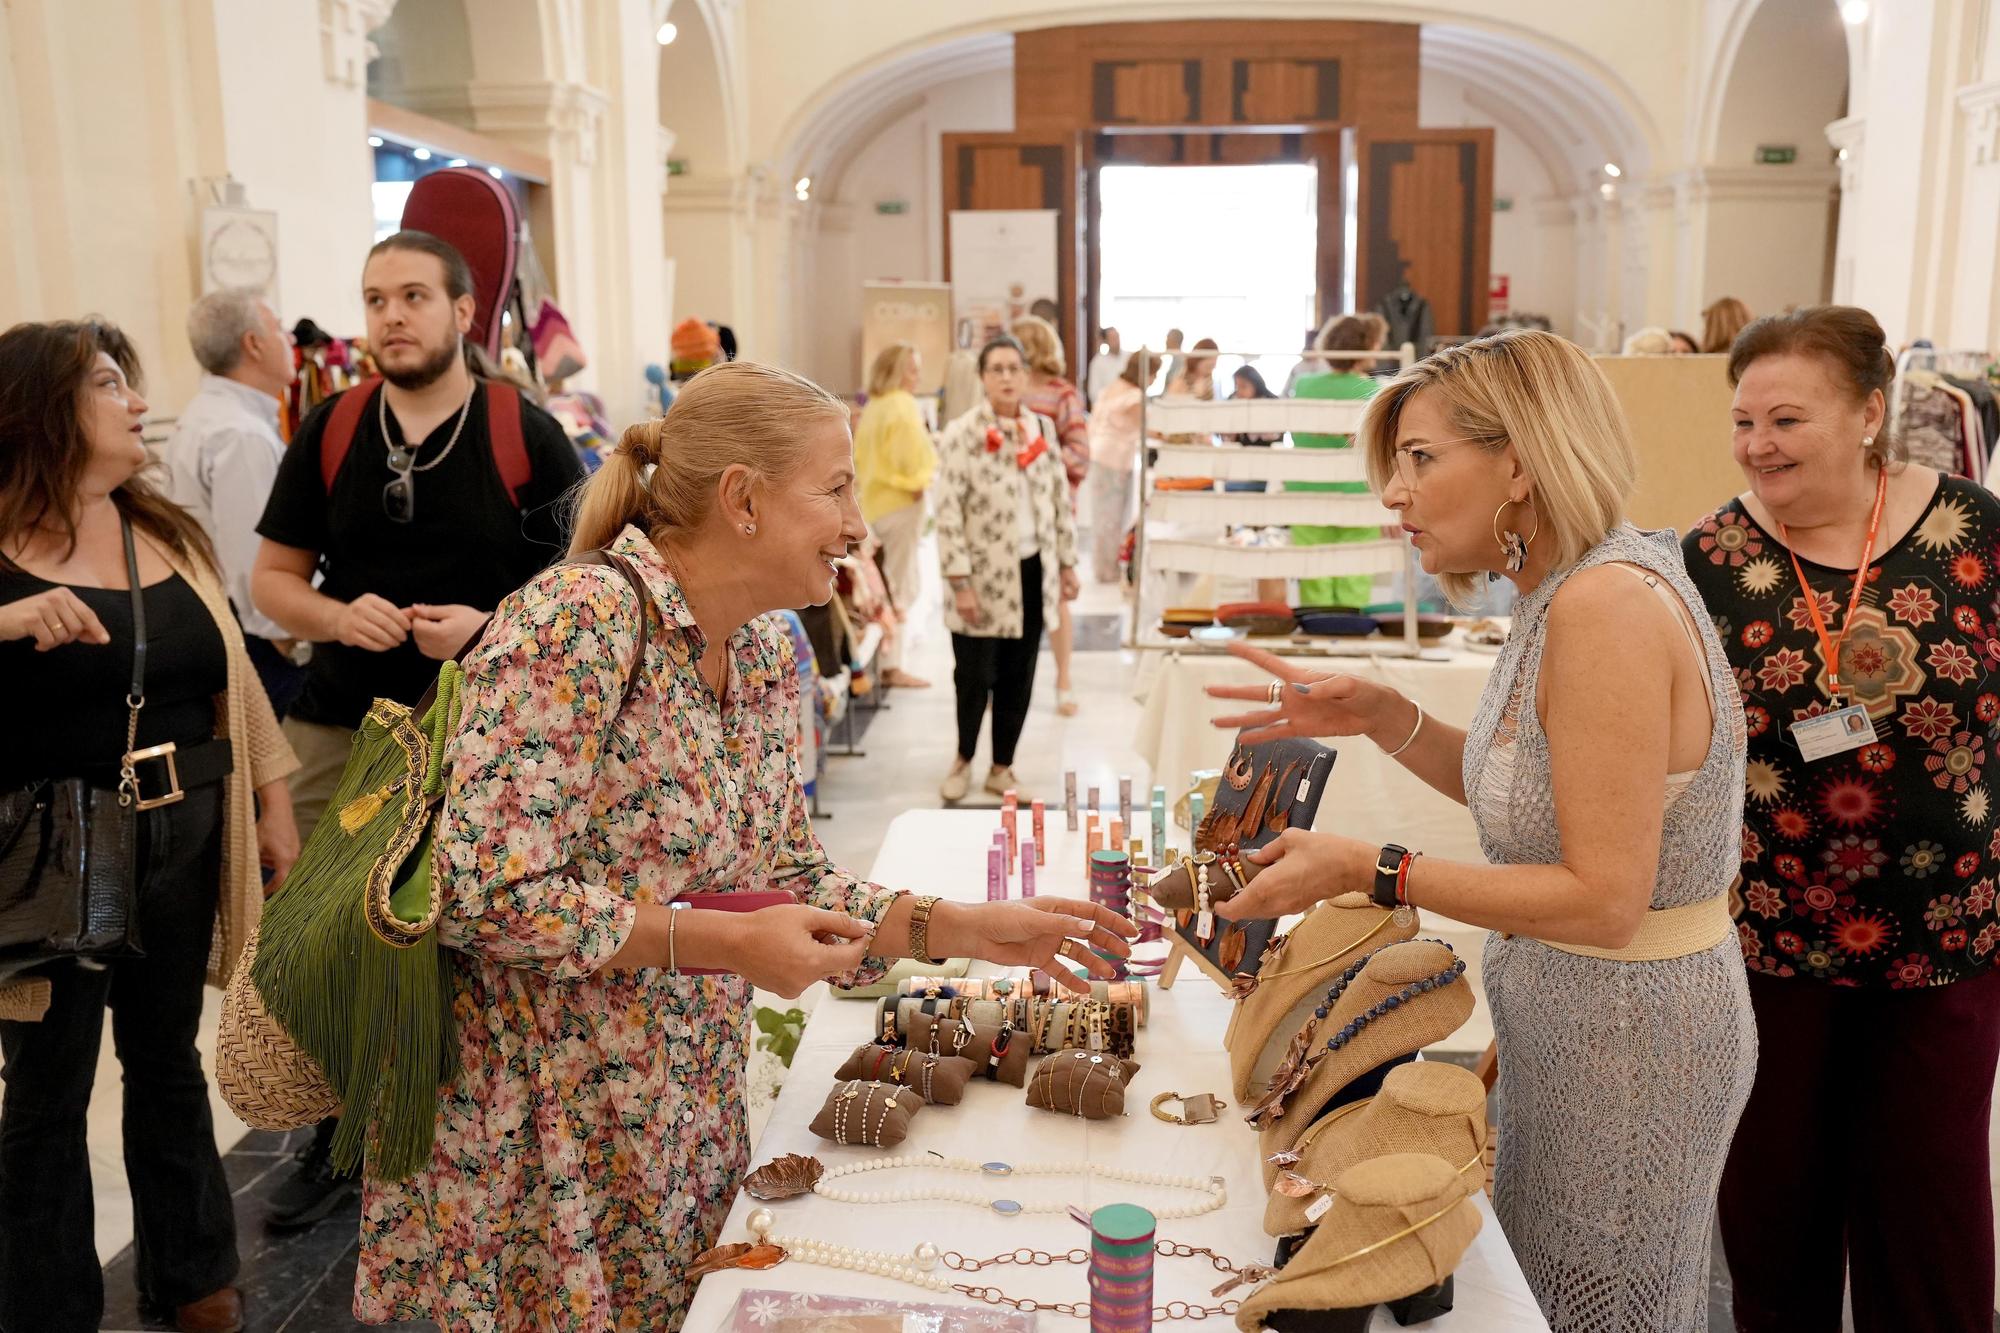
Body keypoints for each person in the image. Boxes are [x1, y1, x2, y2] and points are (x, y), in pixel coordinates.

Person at [350, 359, 1134, 1331]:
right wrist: (717, 943)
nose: (857, 523)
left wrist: (967, 927)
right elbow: (484, 894)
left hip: (679, 1099)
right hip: (546, 1125)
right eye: (835, 488)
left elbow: (783, 870)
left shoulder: (763, 648)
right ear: (743, 500)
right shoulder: (576, 624)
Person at [1200, 329, 1755, 1332]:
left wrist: (1377, 870)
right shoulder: (1558, 589)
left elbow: (1600, 894)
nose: (1394, 495)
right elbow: (1533, 793)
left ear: (1517, 460)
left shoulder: (1602, 608)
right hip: (1581, 1023)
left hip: (1630, 1043)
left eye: (1419, 459)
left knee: (1600, 1308)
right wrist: (1378, 711)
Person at [250, 229, 585, 1228]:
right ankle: (335, 1126)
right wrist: (331, 614)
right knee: (320, 936)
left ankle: (474, 1123)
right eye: (375, 299)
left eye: (412, 297)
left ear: (459, 313)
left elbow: (590, 591)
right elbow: (271, 579)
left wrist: (489, 628)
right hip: (343, 719)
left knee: (462, 931)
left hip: (479, 728)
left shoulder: (522, 429)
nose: (391, 316)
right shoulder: (335, 425)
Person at [1682, 305, 2000, 1332]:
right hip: (1770, 940)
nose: (1757, 444)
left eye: (1784, 418)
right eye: (1742, 421)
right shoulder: (1710, 558)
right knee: (1774, 1211)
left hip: (1945, 938)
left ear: (1867, 412)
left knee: (1929, 1216)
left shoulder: (1972, 532)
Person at [0, 319, 301, 1333]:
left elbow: (231, 679)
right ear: (44, 409)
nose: (136, 401)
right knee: (48, 1091)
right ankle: (48, 1306)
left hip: (183, 836)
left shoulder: (160, 529)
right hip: (50, 857)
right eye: (105, 383)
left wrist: (271, 801)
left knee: (167, 1057)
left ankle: (194, 1271)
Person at [935, 335, 1081, 801]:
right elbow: (948, 510)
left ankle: (1002, 766)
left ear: (1024, 375)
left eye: (1013, 369)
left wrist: (1068, 563)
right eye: (996, 369)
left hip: (1032, 569)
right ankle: (962, 758)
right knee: (974, 676)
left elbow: (1058, 499)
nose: (1006, 377)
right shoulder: (962, 432)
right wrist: (959, 581)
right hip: (980, 576)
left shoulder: (1041, 428)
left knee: (1020, 674)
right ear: (982, 377)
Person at [166, 287, 305, 717]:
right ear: (254, 344)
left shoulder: (211, 417)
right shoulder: (239, 434)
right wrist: (290, 639)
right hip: (260, 643)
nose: (292, 341)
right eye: (281, 329)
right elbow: (254, 557)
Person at [1011, 315, 1088, 717]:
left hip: (1051, 511)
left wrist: (1040, 459)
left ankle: (1063, 680)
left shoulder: (1062, 395)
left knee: (1056, 596)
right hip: (1008, 517)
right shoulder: (1005, 393)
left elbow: (1080, 454)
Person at [1289, 314, 1389, 608]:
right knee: (1354, 574)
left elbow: (1298, 435)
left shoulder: (1304, 384)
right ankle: (1349, 628)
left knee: (1314, 572)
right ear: (1366, 348)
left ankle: (1318, 626)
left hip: (1307, 490)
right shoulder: (1373, 391)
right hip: (1357, 494)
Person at [853, 341, 936, 689]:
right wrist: (919, 481)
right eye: (912, 370)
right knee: (901, 584)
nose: (917, 377)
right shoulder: (903, 406)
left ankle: (887, 662)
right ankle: (893, 666)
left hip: (874, 503)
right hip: (900, 502)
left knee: (884, 582)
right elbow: (914, 456)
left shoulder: (874, 406)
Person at [1084, 351, 1147, 583]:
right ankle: (1106, 570)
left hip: (1101, 455)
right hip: (1114, 458)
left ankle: (1104, 567)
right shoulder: (1133, 396)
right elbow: (1146, 426)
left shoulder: (1115, 387)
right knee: (1111, 518)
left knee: (1104, 516)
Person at [1086, 326, 1124, 406]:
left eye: (1117, 337)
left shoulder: (1129, 358)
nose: (1117, 341)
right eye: (1113, 338)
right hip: (1108, 409)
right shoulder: (1098, 363)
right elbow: (1094, 393)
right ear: (1106, 341)